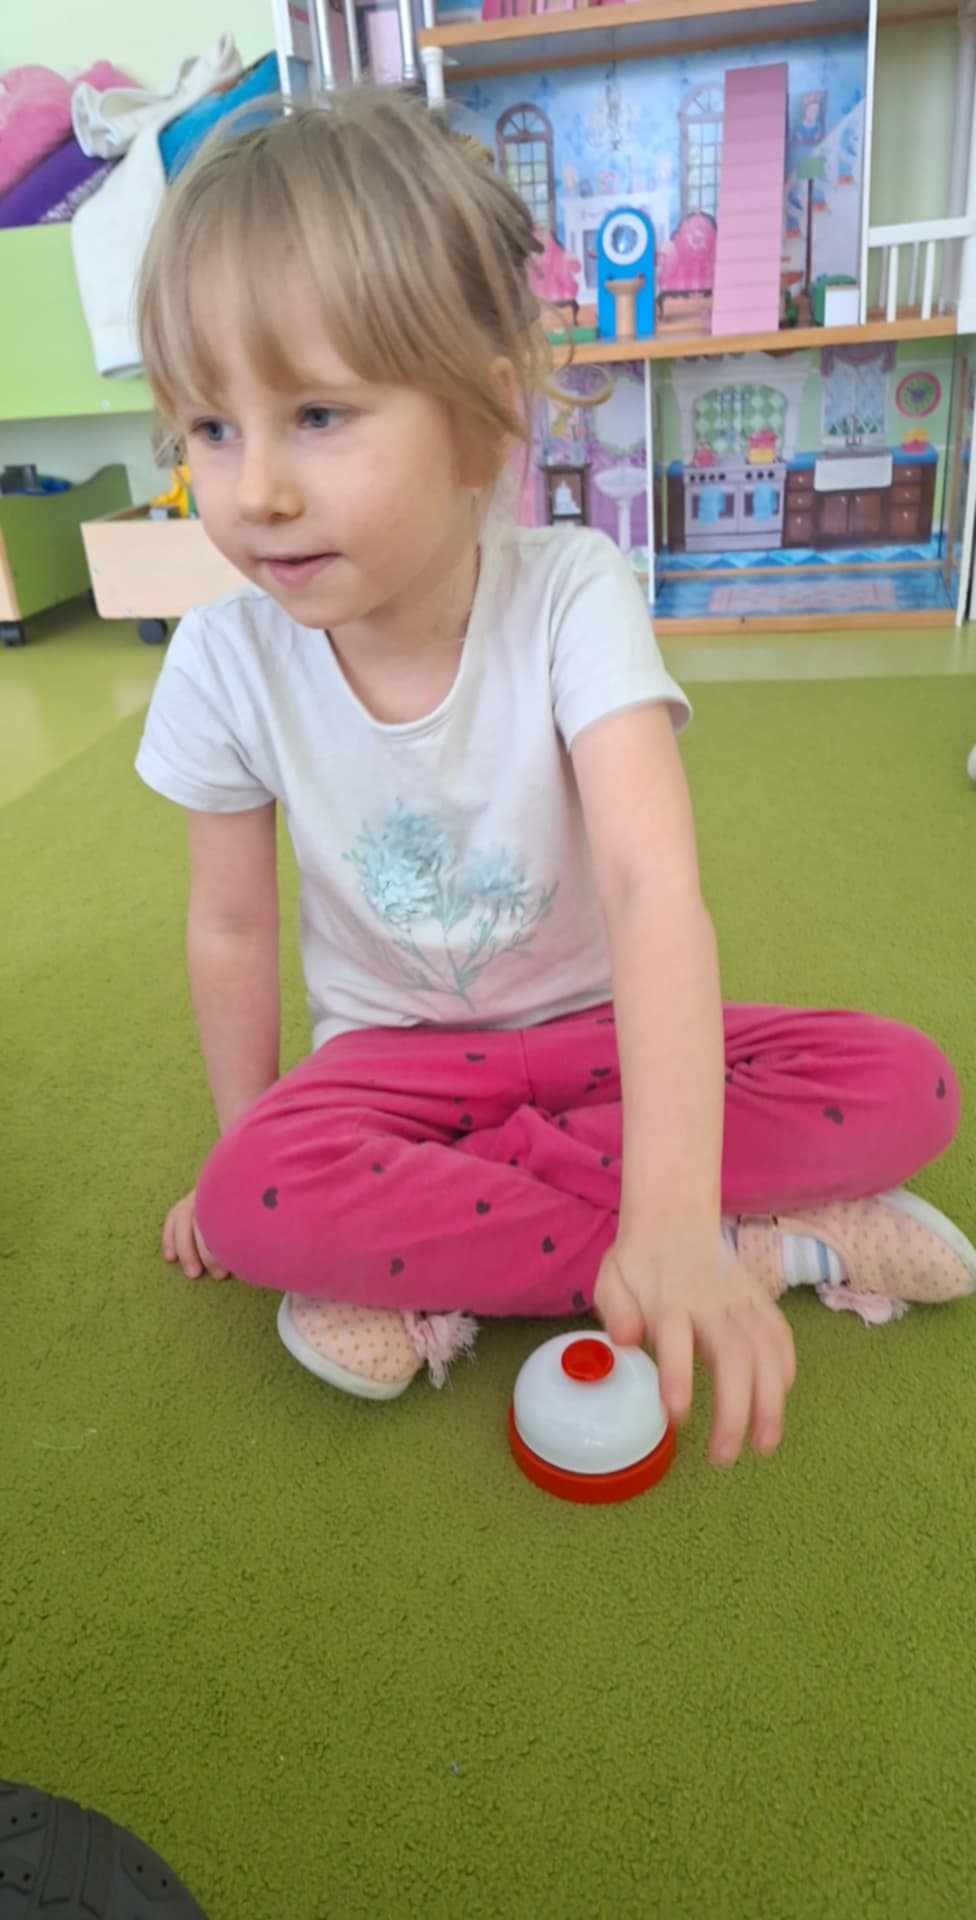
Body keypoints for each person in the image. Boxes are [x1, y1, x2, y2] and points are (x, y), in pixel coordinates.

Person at [134, 87, 973, 1467]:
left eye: (317, 413)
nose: (254, 490)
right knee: (253, 1196)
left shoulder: (573, 590)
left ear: (482, 417)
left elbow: (651, 892)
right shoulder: (225, 662)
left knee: (905, 1083)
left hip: (600, 1040)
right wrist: (248, 1148)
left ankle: (491, 1251)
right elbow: (229, 928)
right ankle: (749, 1243)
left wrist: (663, 1187)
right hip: (389, 1074)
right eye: (209, 430)